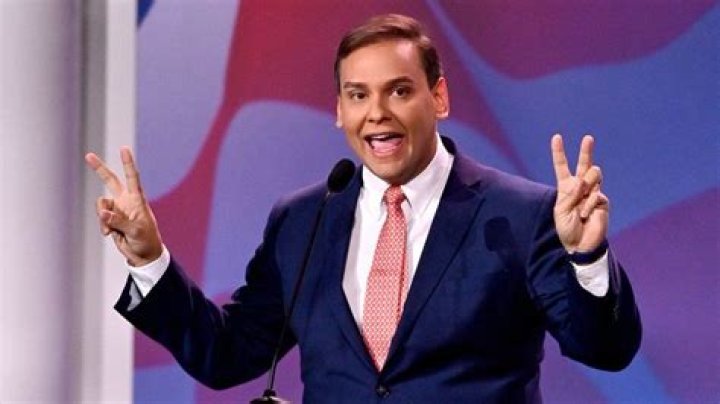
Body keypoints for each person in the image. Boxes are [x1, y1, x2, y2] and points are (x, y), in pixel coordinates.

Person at [86, 14, 641, 403]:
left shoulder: (521, 213)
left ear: (439, 97)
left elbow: (605, 349)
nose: (377, 113)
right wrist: (150, 260)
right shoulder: (303, 219)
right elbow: (228, 354)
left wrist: (587, 257)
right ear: (339, 110)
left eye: (399, 91)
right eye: (358, 95)